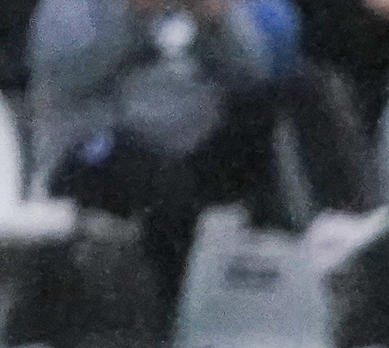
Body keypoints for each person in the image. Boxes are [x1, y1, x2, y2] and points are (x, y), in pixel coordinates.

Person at [30, 0, 281, 297]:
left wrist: (217, 24)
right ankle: (177, 313)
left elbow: (253, 72)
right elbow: (66, 74)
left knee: (290, 101)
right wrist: (132, 16)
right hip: (95, 147)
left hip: (193, 142)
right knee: (167, 187)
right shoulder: (70, 7)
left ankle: (312, 255)